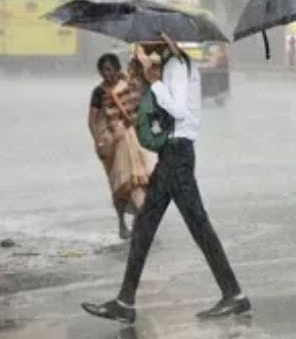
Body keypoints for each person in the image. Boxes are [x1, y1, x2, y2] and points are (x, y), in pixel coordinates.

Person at [81, 41, 249, 324]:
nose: (142, 45)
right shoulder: (169, 64)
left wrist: (155, 81)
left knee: (197, 227)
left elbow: (180, 111)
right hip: (170, 155)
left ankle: (233, 295)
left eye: (146, 40)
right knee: (147, 226)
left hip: (177, 156)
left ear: (161, 38)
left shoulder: (179, 65)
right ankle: (126, 302)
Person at [88, 53, 151, 239]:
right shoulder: (98, 93)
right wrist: (99, 141)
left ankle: (141, 218)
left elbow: (141, 105)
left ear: (117, 69)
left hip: (131, 139)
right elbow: (92, 121)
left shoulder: (129, 85)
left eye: (109, 69)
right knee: (117, 184)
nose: (106, 74)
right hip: (110, 144)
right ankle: (122, 224)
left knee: (135, 179)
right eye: (102, 70)